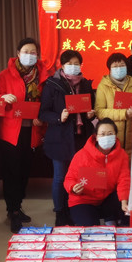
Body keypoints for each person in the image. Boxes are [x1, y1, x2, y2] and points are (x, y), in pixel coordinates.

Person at [0, 37, 48, 233]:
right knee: (12, 173)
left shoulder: (43, 76)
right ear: (18, 53)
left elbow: (48, 102)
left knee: (25, 172)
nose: (29, 55)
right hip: (10, 132)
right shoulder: (4, 75)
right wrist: (2, 98)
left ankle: (17, 206)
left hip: (32, 131)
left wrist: (42, 118)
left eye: (33, 52)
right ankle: (14, 211)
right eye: (26, 52)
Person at [39, 50, 95, 226]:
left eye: (76, 63)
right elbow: (43, 112)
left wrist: (91, 114)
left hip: (81, 138)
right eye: (69, 63)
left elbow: (92, 107)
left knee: (79, 176)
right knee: (60, 177)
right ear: (62, 65)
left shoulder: (85, 84)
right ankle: (60, 211)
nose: (73, 66)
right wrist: (58, 117)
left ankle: (75, 208)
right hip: (60, 138)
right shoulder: (52, 84)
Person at [64, 118, 130, 227]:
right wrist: (73, 187)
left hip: (106, 199)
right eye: (102, 134)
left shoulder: (122, 155)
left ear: (115, 136)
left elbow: (124, 179)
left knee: (129, 200)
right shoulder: (81, 155)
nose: (106, 137)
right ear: (96, 136)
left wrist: (124, 201)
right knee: (91, 229)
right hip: (84, 201)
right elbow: (69, 179)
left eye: (110, 134)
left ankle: (113, 220)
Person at [94, 53, 132, 160]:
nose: (119, 69)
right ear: (109, 69)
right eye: (115, 66)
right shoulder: (103, 86)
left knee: (129, 166)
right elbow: (99, 112)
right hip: (112, 138)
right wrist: (124, 113)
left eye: (122, 65)